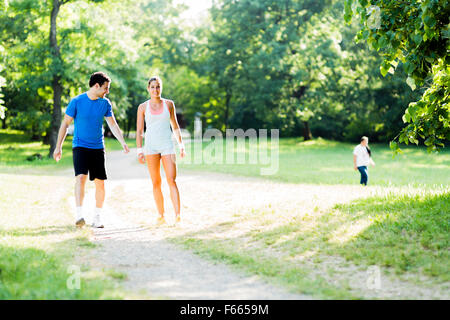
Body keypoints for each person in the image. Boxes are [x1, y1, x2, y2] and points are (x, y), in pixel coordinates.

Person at [53, 71, 130, 228]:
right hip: (80, 146)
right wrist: (58, 146)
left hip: (98, 148)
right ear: (96, 85)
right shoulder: (76, 101)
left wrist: (122, 142)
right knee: (80, 177)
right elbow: (65, 124)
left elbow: (113, 124)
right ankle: (80, 215)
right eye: (105, 88)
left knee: (100, 183)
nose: (107, 91)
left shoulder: (105, 104)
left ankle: (97, 217)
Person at [136, 76, 186, 225]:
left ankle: (177, 215)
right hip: (151, 147)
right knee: (156, 182)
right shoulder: (142, 107)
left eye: (158, 86)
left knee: (171, 179)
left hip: (167, 146)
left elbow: (175, 126)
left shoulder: (169, 104)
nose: (155, 89)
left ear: (161, 88)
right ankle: (161, 215)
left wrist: (181, 144)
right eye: (152, 87)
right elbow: (139, 130)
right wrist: (139, 150)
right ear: (148, 89)